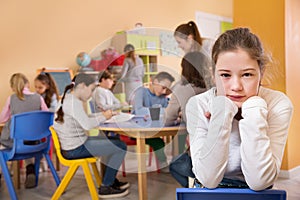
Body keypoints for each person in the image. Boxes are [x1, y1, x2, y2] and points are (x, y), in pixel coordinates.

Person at [186, 27, 293, 190]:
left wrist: (254, 109)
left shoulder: (278, 104)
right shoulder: (198, 104)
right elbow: (208, 179)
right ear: (212, 73)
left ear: (261, 72)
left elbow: (260, 182)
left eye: (247, 75)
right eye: (225, 75)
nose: (236, 86)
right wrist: (222, 112)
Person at [53, 73, 129, 198]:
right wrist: (104, 116)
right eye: (92, 89)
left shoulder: (69, 99)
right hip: (76, 148)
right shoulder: (74, 103)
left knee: (114, 139)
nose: (92, 93)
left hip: (74, 145)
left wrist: (103, 115)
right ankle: (106, 186)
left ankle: (110, 179)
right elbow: (87, 125)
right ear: (82, 86)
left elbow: (85, 118)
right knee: (120, 146)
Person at [165, 51, 209, 187]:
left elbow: (168, 118)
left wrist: (181, 114)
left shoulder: (181, 89)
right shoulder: (213, 87)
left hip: (198, 148)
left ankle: (193, 188)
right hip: (219, 146)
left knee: (174, 165)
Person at [0, 73, 49, 189]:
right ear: (27, 84)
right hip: (36, 143)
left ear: (13, 87)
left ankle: (1, 173)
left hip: (16, 143)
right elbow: (47, 116)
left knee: (6, 143)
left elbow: (2, 119)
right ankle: (30, 168)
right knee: (26, 138)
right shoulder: (39, 98)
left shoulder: (11, 98)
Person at [132, 71, 175, 172]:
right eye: (163, 88)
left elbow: (168, 111)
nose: (164, 92)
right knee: (158, 142)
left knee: (178, 137)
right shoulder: (141, 92)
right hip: (138, 130)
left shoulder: (162, 97)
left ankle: (178, 164)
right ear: (155, 82)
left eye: (166, 89)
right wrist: (159, 111)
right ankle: (163, 165)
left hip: (156, 128)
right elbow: (139, 110)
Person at [174, 20, 215, 88]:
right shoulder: (190, 54)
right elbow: (185, 76)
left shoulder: (209, 46)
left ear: (190, 38)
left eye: (179, 42)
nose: (179, 46)